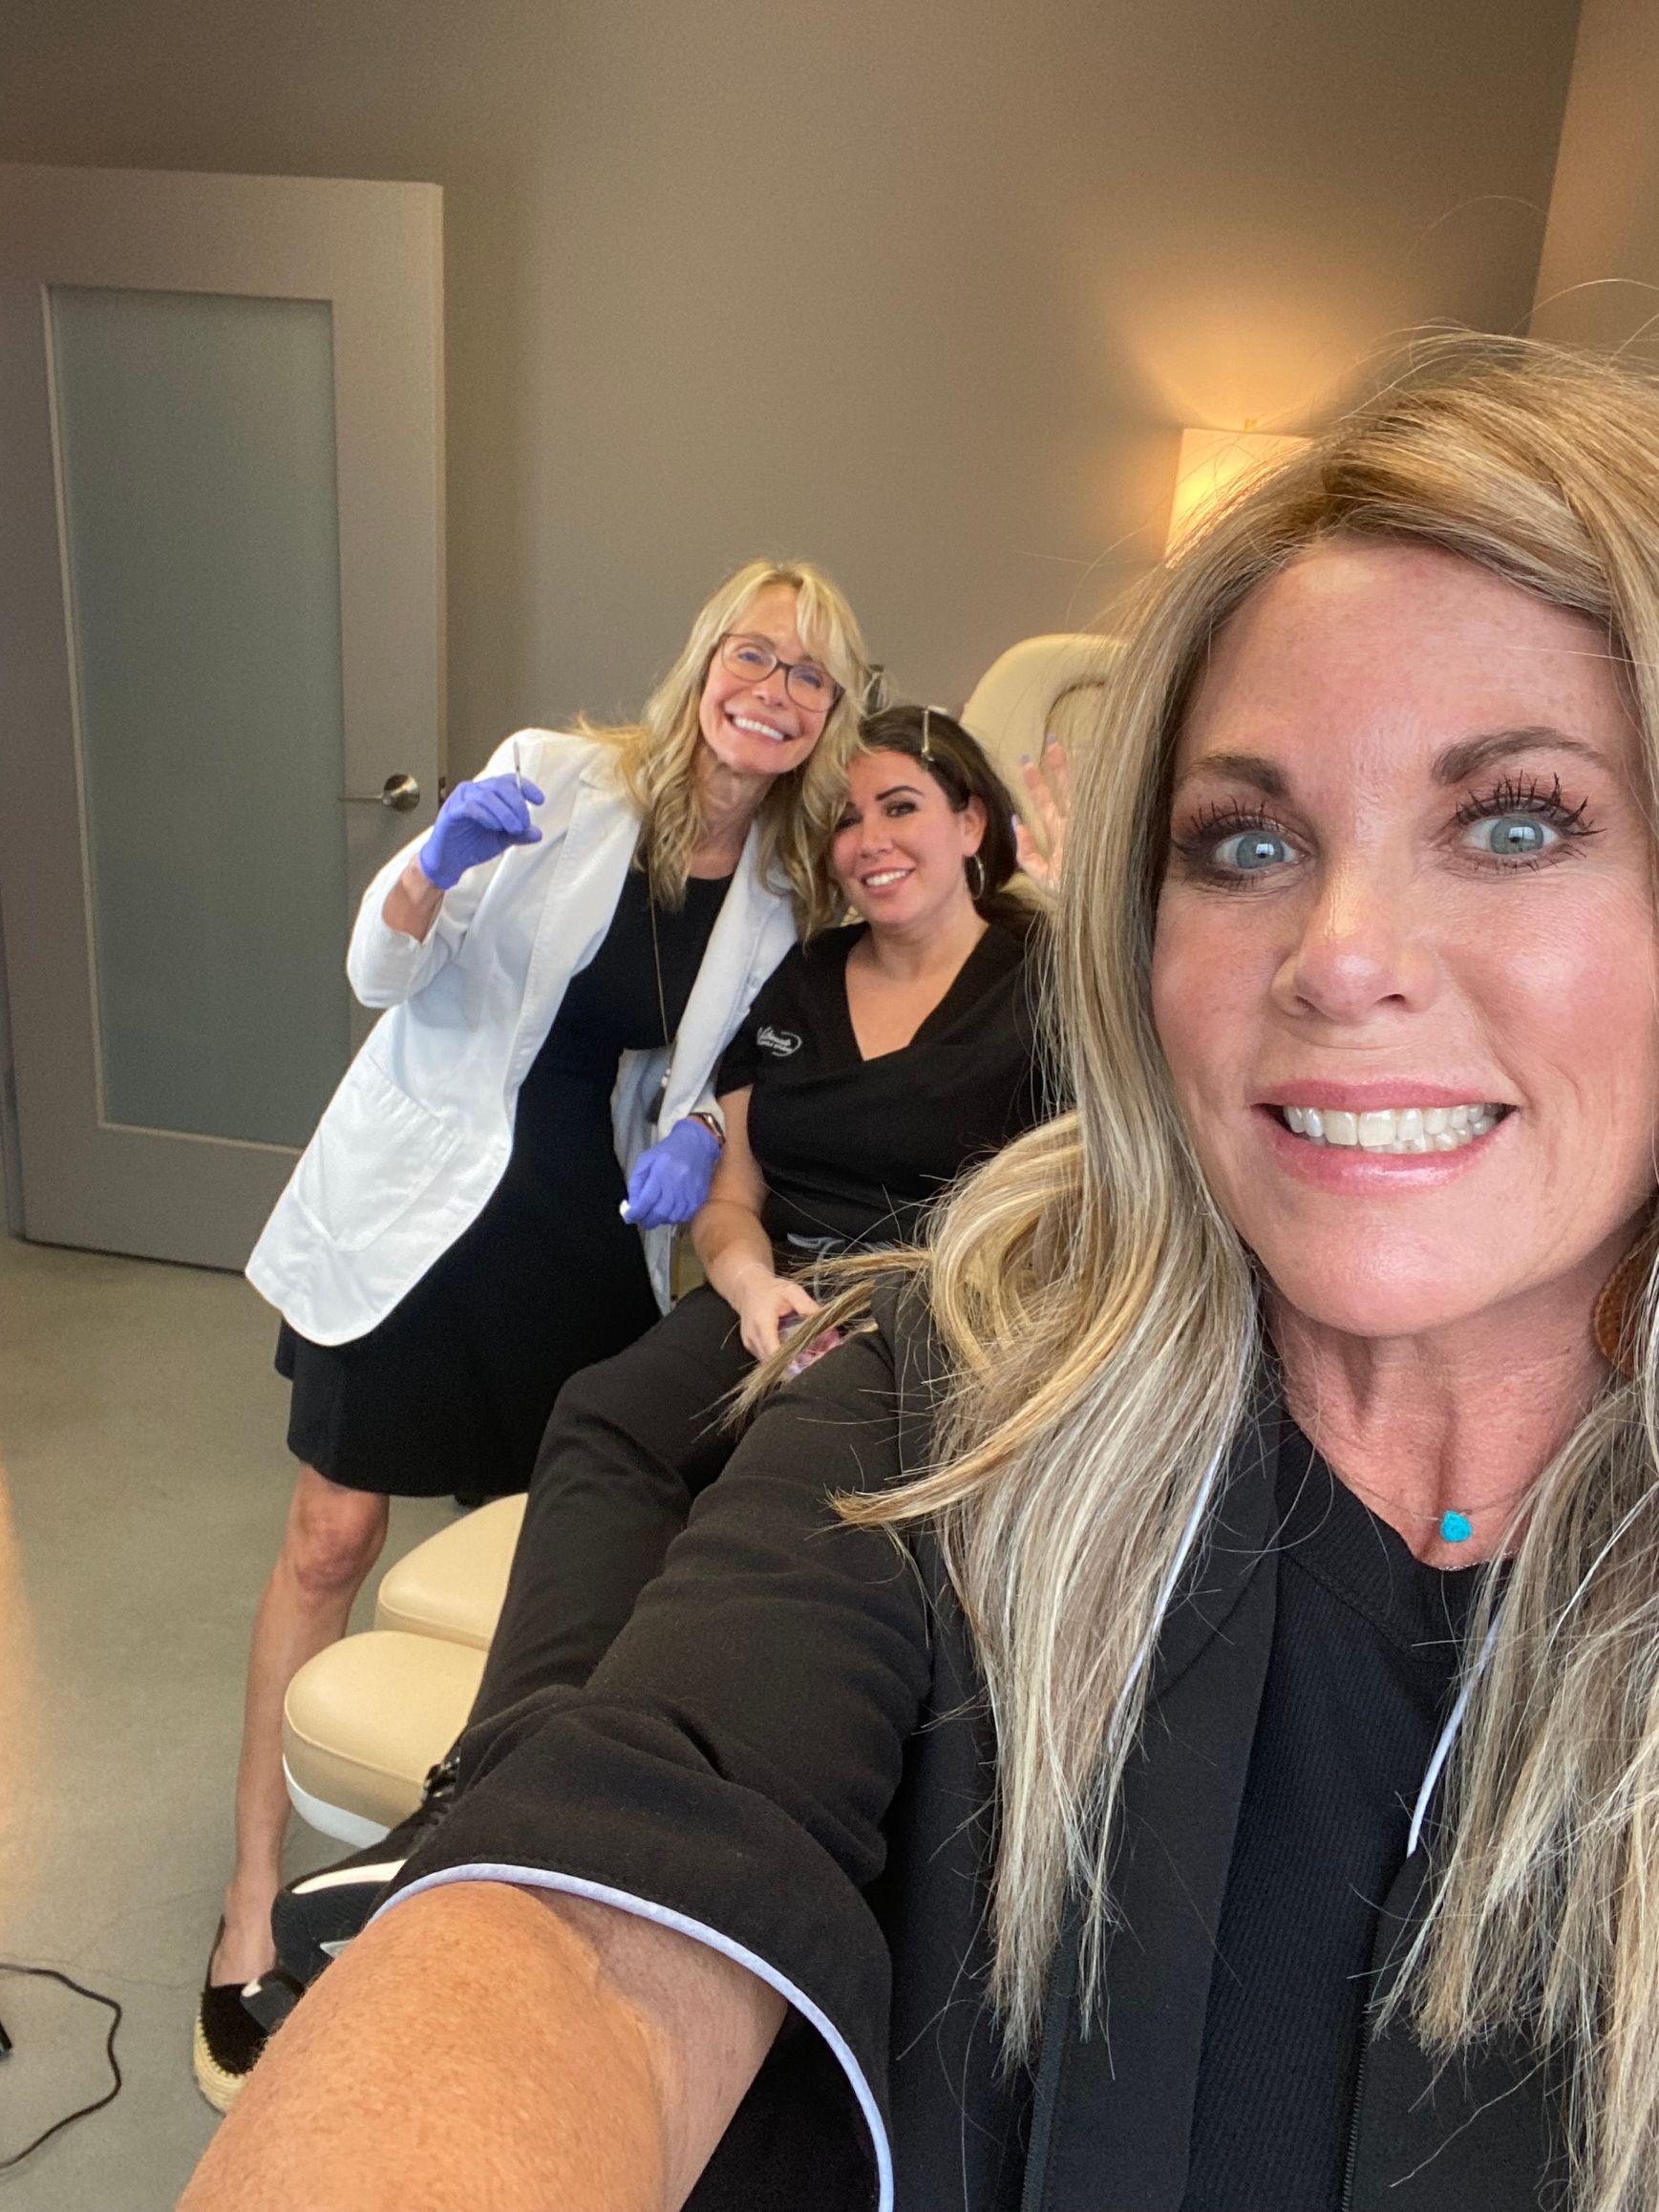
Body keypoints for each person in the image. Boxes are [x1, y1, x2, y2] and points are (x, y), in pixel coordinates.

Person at [177, 335, 1659, 2212]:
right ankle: (404, 1848)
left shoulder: (932, 967)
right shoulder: (946, 1390)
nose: (1336, 960)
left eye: (1515, 821)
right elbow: (629, 1887)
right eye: (1246, 840)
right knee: (415, 1511)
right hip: (494, 1222)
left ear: (984, 829)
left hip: (695, 1256)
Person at [192, 558, 867, 2112]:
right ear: (704, 660)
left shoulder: (789, 881)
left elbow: (714, 1075)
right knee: (327, 1537)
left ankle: (446, 1879)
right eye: (752, 653)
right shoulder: (550, 780)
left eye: (808, 674)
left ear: (831, 710)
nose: (771, 688)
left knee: (526, 1563)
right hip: (425, 1200)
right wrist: (427, 867)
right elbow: (384, 971)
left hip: (577, 1234)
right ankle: (247, 1906)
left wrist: (695, 1143)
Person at [266, 702, 1056, 1982]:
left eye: (902, 805)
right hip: (775, 1287)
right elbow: (733, 1197)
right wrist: (745, 1288)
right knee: (602, 1415)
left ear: (974, 822)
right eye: (846, 817)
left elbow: (1081, 1195)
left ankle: (688, 1855)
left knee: (778, 1484)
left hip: (939, 1307)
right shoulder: (802, 977)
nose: (867, 839)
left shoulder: (1050, 982)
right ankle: (488, 1789)